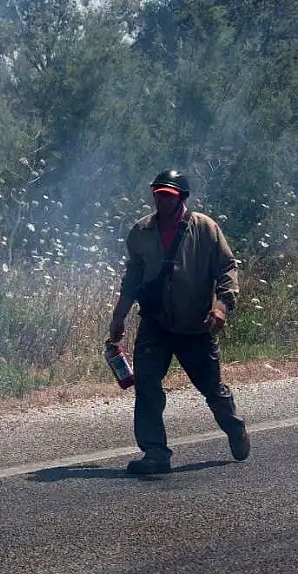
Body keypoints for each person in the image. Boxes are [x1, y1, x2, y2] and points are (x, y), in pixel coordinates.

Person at [108, 169, 250, 474]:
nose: (161, 200)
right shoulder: (141, 232)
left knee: (211, 388)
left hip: (195, 326)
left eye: (168, 196)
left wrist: (222, 307)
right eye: (158, 194)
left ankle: (234, 426)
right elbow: (132, 278)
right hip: (155, 325)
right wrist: (119, 316)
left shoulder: (205, 228)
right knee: (146, 386)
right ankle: (155, 453)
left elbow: (227, 269)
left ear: (181, 198)